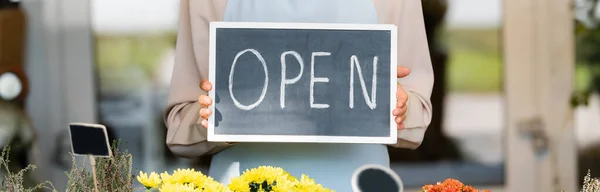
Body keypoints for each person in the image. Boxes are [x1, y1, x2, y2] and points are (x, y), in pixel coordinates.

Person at [164, 0, 433, 191]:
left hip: (356, 182)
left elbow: (417, 108)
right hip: (243, 183)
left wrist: (400, 108)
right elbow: (180, 124)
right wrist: (210, 119)